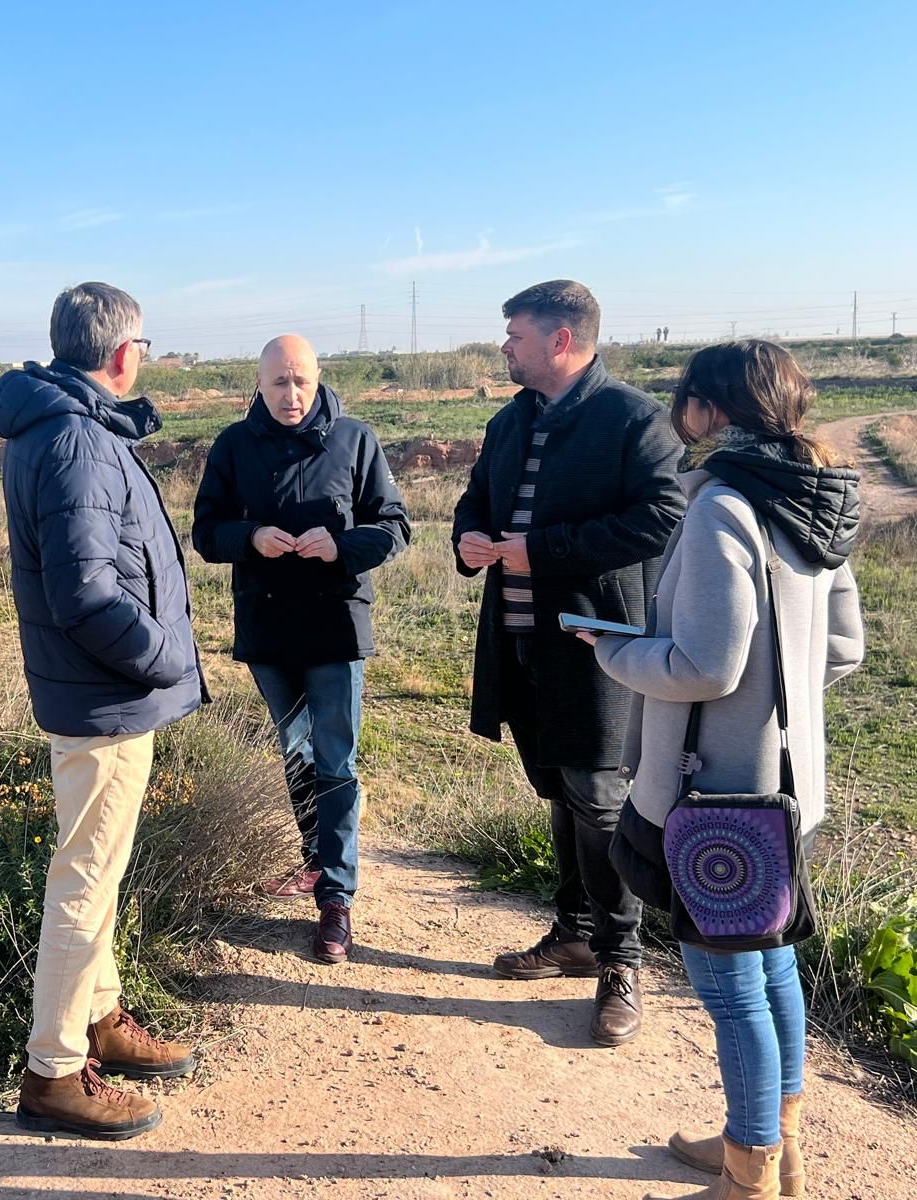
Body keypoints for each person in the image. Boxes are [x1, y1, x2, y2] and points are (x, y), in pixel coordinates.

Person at [578, 340, 863, 1200]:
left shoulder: (724, 507)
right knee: (769, 965)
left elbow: (706, 666)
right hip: (785, 788)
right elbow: (842, 649)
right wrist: (776, 715)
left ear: (710, 410)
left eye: (684, 398)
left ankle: (749, 1174)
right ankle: (778, 1145)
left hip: (715, 795)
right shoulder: (819, 501)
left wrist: (617, 653)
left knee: (730, 984)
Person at [0, 282, 207, 1140]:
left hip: (98, 691)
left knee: (96, 870)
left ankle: (100, 1021)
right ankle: (54, 1072)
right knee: (83, 878)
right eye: (144, 347)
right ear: (122, 353)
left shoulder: (61, 426)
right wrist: (168, 654)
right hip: (105, 695)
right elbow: (86, 593)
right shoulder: (76, 439)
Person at [452, 280, 685, 1045]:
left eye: (514, 334)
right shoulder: (510, 419)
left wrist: (537, 551)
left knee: (599, 794)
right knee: (560, 787)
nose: (505, 347)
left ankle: (623, 960)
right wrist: (470, 539)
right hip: (521, 644)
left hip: (598, 648)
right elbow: (475, 501)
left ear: (560, 339)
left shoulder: (633, 419)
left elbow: (660, 518)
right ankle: (577, 934)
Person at [192, 334, 411, 964]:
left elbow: (395, 526)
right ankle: (317, 863)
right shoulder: (234, 444)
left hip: (336, 625)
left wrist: (340, 544)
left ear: (319, 379)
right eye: (279, 384)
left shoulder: (355, 440)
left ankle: (338, 899)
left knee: (335, 759)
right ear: (257, 385)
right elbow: (206, 531)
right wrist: (251, 535)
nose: (291, 396)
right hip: (266, 625)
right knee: (295, 753)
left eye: (302, 382)